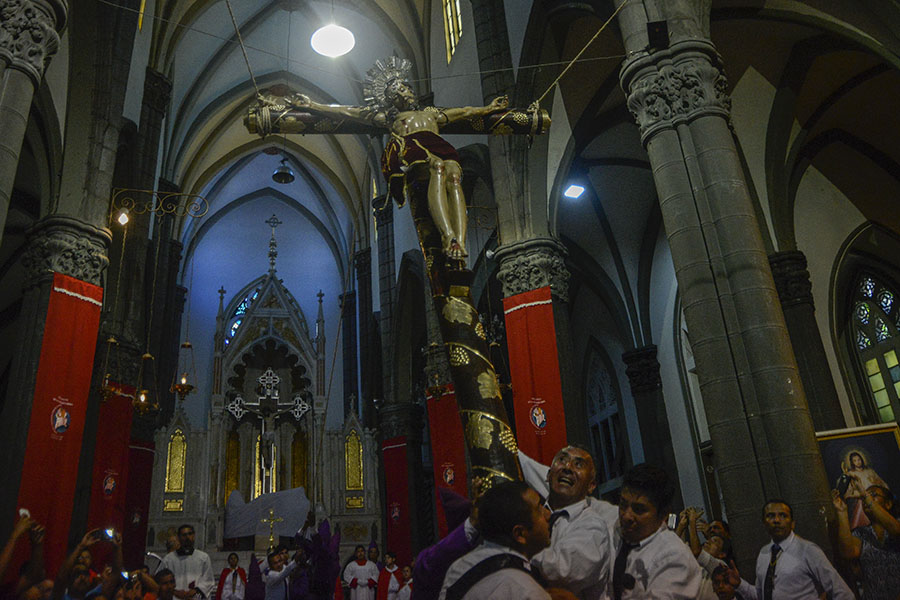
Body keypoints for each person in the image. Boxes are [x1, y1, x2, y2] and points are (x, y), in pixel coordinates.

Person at [290, 59, 509, 260]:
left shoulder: (431, 113)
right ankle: (448, 235)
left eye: (404, 88)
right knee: (438, 168)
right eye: (396, 94)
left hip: (439, 145)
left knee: (453, 174)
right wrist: (313, 106)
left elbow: (465, 112)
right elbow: (349, 112)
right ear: (391, 101)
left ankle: (460, 241)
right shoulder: (390, 118)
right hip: (415, 149)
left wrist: (490, 108)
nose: (403, 94)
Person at [521, 446, 611, 600]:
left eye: (578, 464)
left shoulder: (593, 527)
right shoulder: (535, 515)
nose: (567, 468)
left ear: (591, 486)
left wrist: (517, 546)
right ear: (548, 475)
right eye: (562, 460)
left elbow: (560, 571)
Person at [439, 481, 553, 600]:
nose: (548, 515)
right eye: (539, 509)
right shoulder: (527, 592)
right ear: (520, 534)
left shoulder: (459, 568)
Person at [609, 463, 701, 599]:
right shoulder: (617, 531)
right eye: (623, 505)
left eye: (638, 510)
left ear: (663, 514)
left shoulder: (674, 557)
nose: (627, 516)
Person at [753, 499, 853, 600]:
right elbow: (759, 595)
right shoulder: (764, 553)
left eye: (783, 515)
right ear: (764, 523)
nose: (777, 520)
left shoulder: (807, 550)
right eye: (771, 516)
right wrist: (739, 584)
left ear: (793, 524)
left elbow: (843, 593)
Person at [832, 485, 900, 599]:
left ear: (888, 504)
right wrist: (841, 511)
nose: (866, 500)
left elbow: (897, 532)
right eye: (864, 497)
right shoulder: (861, 533)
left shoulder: (897, 524)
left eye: (873, 495)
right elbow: (847, 552)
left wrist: (868, 499)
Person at [159, 525, 214, 600]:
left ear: (194, 536)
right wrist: (175, 592)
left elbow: (208, 580)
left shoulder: (203, 557)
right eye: (184, 535)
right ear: (178, 537)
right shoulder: (168, 559)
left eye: (190, 534)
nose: (187, 537)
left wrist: (195, 591)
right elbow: (159, 580)